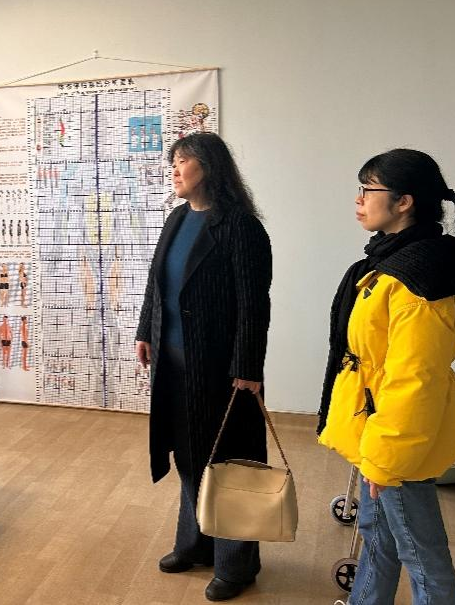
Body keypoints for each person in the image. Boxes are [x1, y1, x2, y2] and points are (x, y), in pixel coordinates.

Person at [318, 148, 455, 605]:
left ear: (404, 201)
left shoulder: (418, 276)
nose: (358, 199)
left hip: (396, 438)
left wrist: (386, 458)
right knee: (379, 535)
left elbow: (415, 379)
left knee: (421, 553)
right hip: (379, 428)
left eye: (367, 189)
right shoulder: (393, 261)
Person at [135, 131, 272, 602]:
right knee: (190, 454)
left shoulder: (241, 227)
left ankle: (237, 564)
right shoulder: (177, 219)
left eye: (183, 161)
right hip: (174, 365)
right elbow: (157, 284)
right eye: (173, 161)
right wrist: (145, 331)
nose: (174, 170)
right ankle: (195, 544)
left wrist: (247, 367)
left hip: (223, 370)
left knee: (229, 461)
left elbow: (254, 304)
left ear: (209, 167)